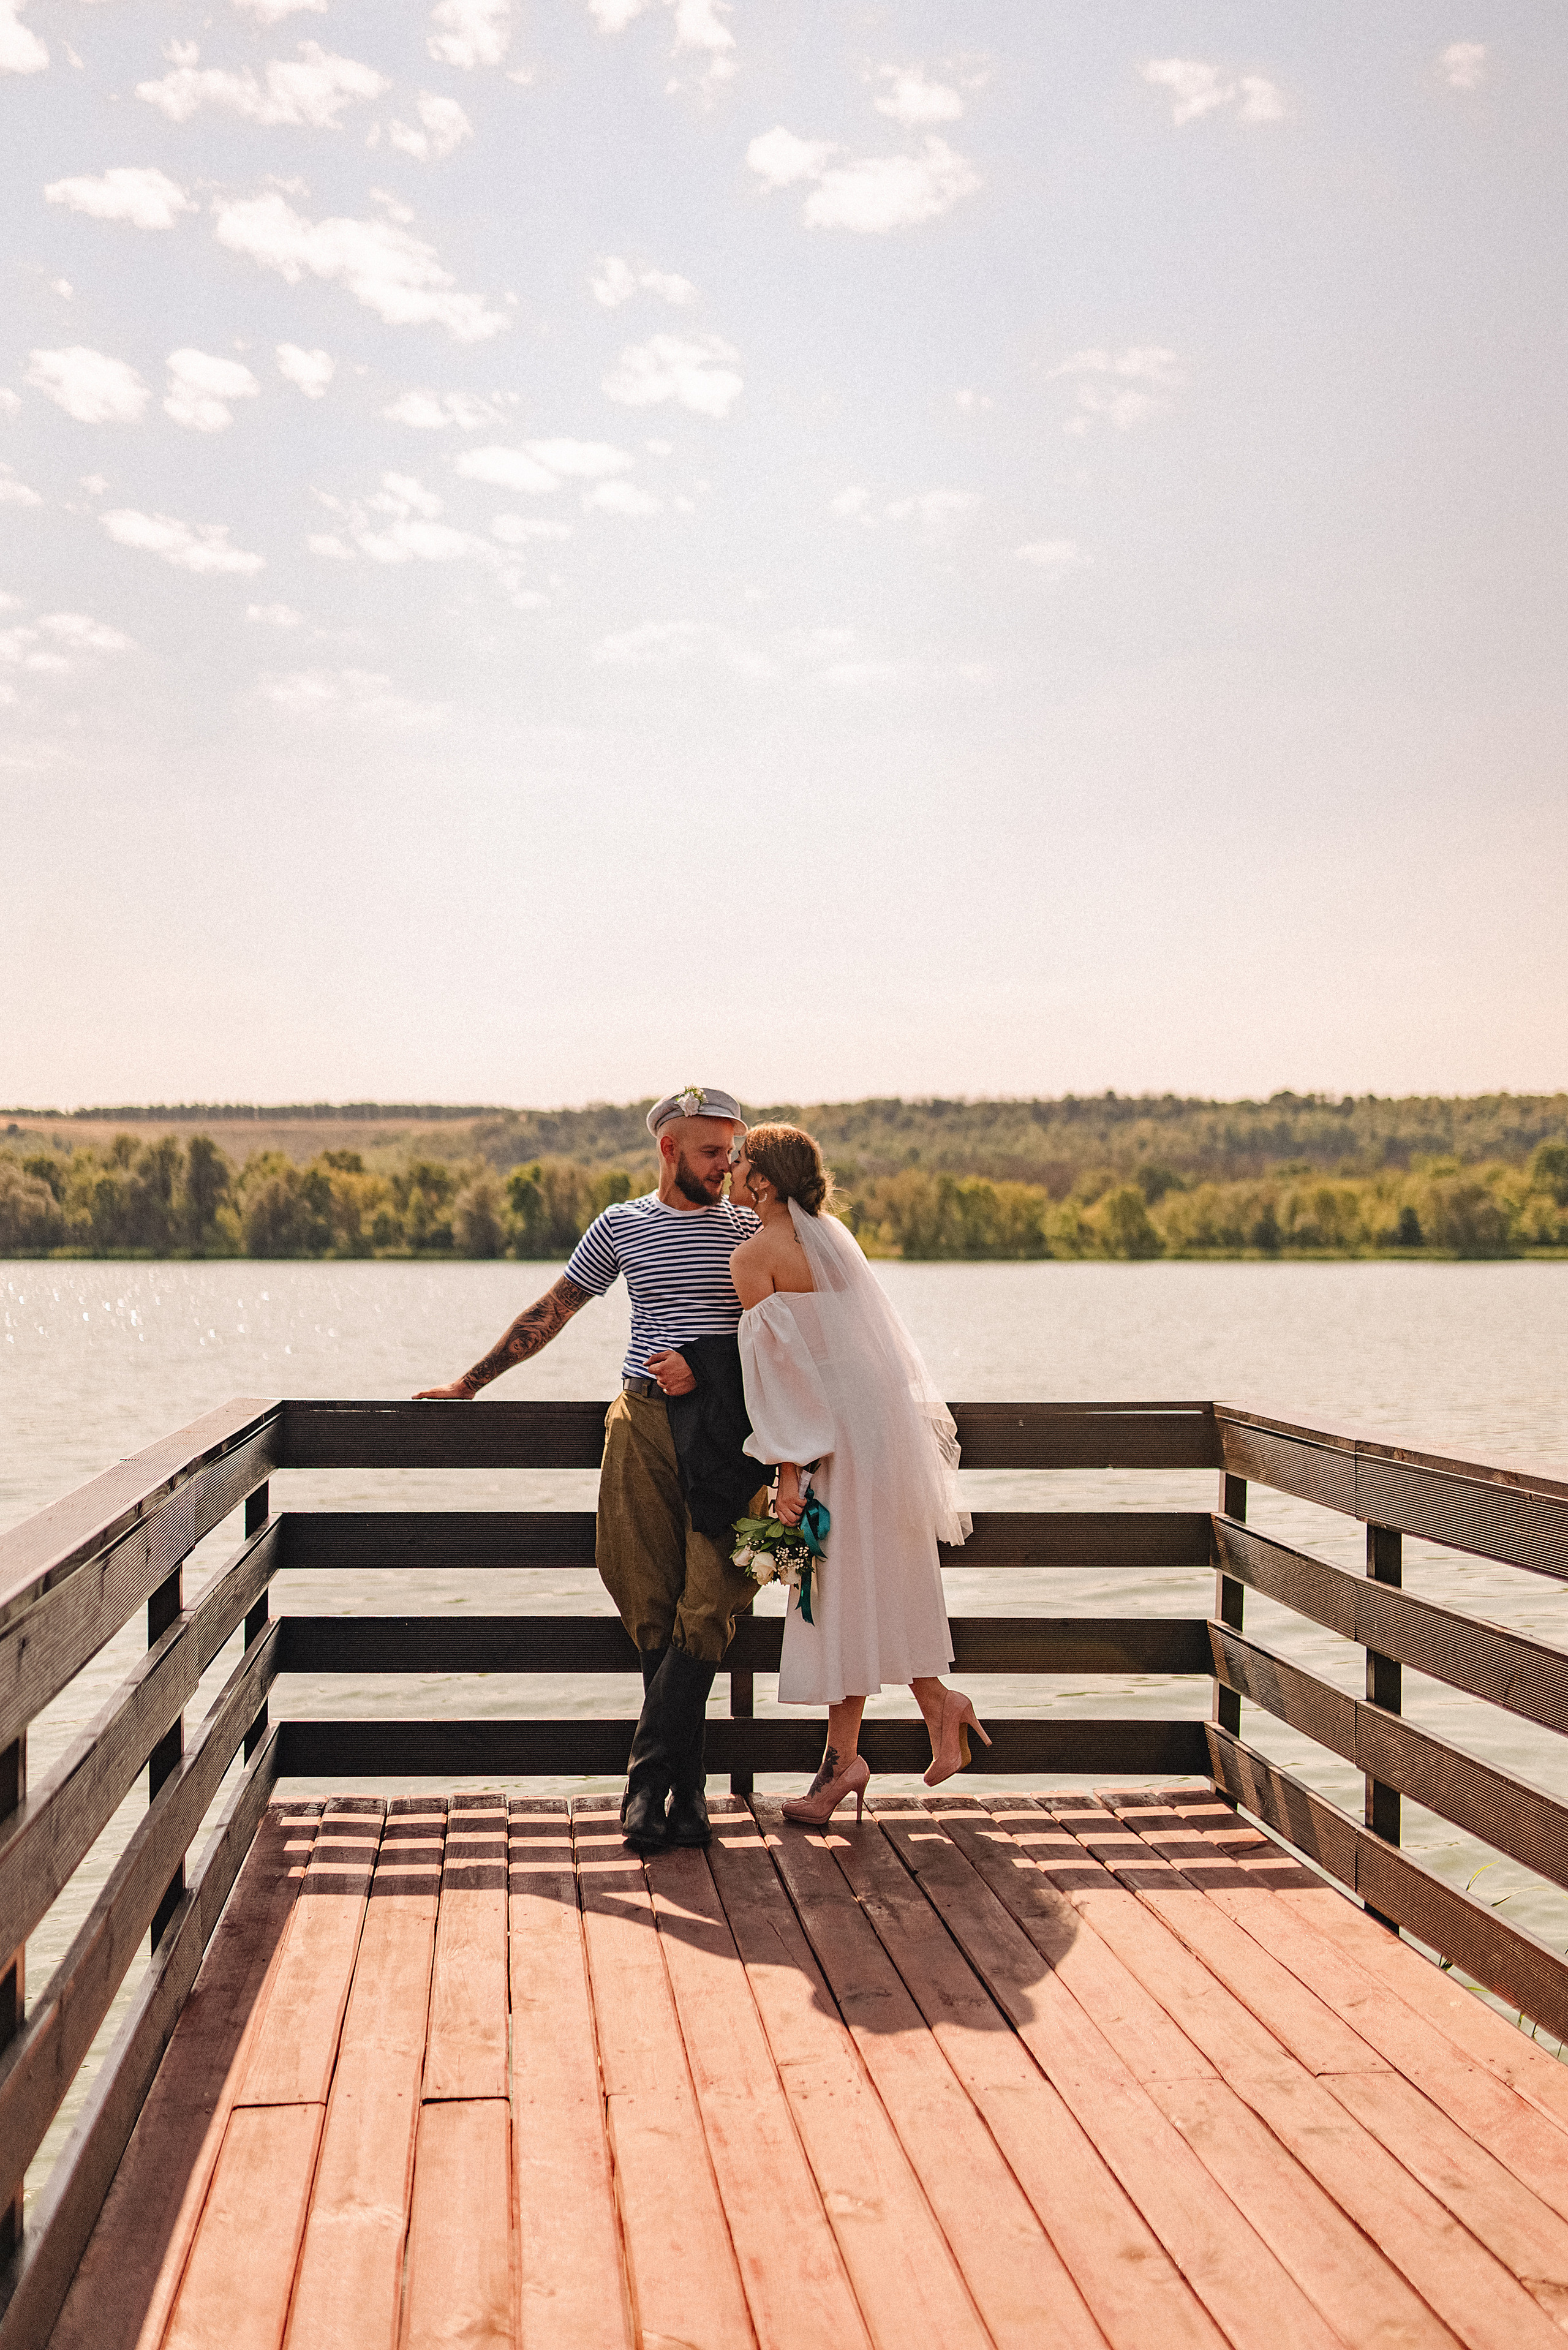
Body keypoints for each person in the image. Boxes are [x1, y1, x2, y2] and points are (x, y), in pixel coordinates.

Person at [415, 1085, 762, 1853]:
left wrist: (708, 1368)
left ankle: (646, 1784)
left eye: (733, 1152)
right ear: (669, 1149)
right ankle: (689, 1799)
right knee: (647, 1598)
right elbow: (556, 1308)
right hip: (641, 1422)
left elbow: (793, 1336)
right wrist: (470, 1383)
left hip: (731, 1437)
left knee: (710, 1601)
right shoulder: (622, 1225)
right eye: (712, 1151)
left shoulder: (751, 1228)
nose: (726, 1166)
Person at [729, 1124, 990, 1824]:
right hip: (879, 1435)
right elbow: (860, 1355)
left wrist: (789, 1467)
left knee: (836, 1592)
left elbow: (782, 1379)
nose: (728, 1169)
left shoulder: (755, 1257)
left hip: (831, 1447)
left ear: (763, 1182)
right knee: (870, 1584)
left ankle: (861, 1753)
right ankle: (900, 1729)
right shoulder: (834, 1241)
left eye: (738, 1161)